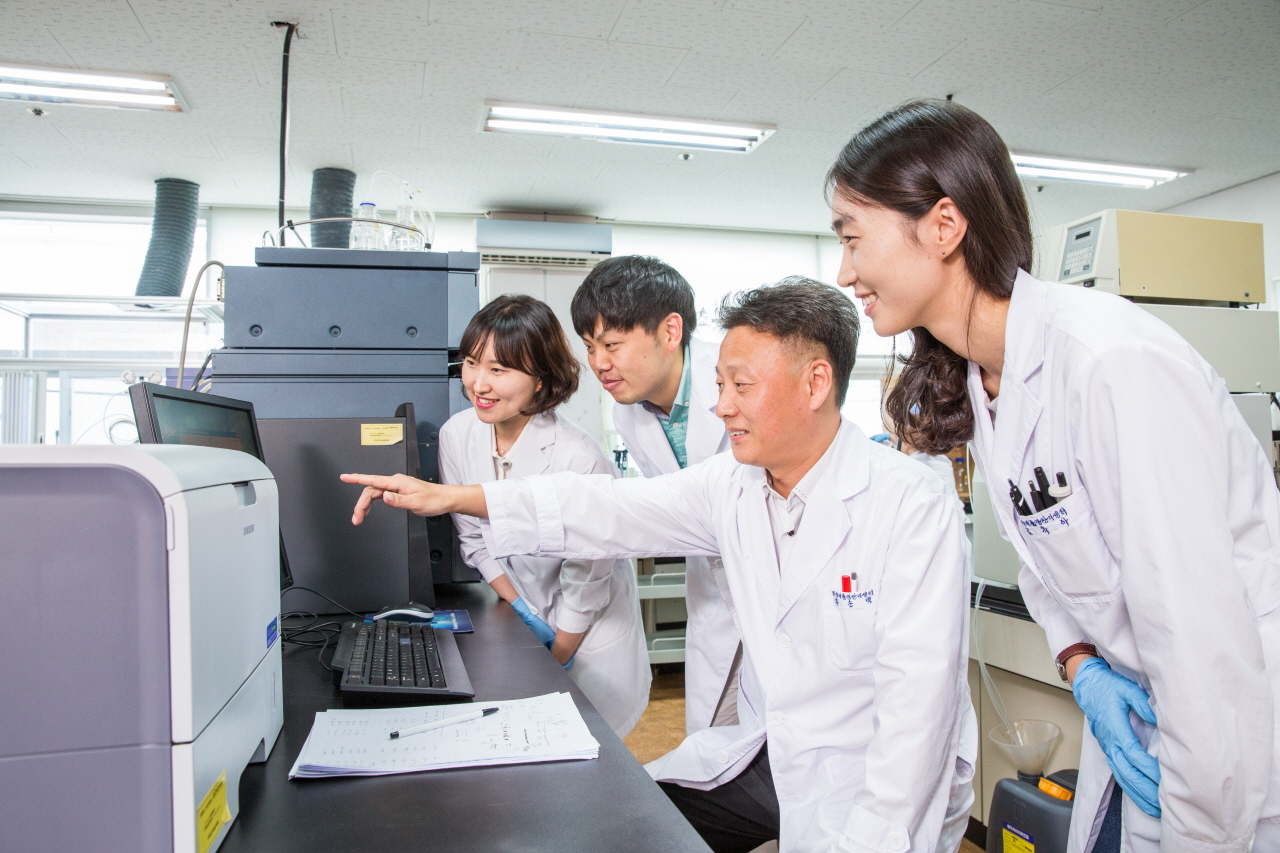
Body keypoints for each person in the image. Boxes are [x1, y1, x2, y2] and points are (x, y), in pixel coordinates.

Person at [342, 279, 977, 853]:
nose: (722, 407)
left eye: (740, 387)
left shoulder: (910, 504)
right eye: (720, 386)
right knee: (621, 822)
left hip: (866, 782)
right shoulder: (730, 482)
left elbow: (915, 719)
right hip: (769, 751)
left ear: (815, 384)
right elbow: (608, 507)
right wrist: (450, 497)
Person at [828, 98, 1280, 853]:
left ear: (943, 225)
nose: (845, 272)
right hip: (1153, 723)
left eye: (852, 238)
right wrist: (1078, 662)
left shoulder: (1111, 365)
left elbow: (1199, 640)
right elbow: (1047, 555)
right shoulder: (987, 379)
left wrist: (1202, 826)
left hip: (1235, 737)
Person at [437, 293, 650, 738]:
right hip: (523, 612)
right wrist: (520, 608)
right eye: (472, 363)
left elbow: (587, 578)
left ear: (540, 379)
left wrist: (558, 652)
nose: (479, 384)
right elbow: (474, 540)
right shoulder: (456, 435)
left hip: (589, 634)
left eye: (499, 369)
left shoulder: (579, 457)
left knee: (591, 752)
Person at [570, 256, 741, 735]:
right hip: (715, 597)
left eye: (611, 344)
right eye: (590, 347)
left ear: (670, 331)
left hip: (781, 583)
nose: (598, 363)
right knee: (716, 743)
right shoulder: (628, 410)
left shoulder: (738, 378)